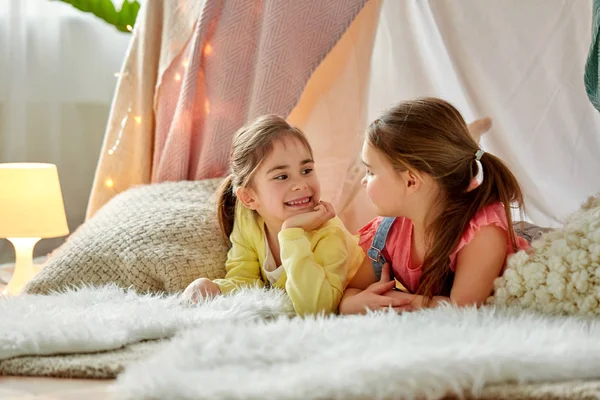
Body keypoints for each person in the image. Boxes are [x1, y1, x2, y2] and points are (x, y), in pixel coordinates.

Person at [339, 98, 529, 314]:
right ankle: (466, 141)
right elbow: (351, 291)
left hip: (528, 238)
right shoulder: (387, 231)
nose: (363, 181)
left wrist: (396, 300)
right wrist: (354, 303)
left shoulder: (482, 231)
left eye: (371, 171)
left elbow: (464, 308)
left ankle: (466, 142)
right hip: (437, 197)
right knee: (439, 190)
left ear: (411, 181)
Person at [181, 115, 364, 316]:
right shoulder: (248, 219)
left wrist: (291, 233)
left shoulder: (328, 230)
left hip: (380, 280)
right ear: (249, 198)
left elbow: (317, 309)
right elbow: (246, 281)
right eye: (282, 176)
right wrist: (213, 288)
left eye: (306, 170)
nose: (301, 184)